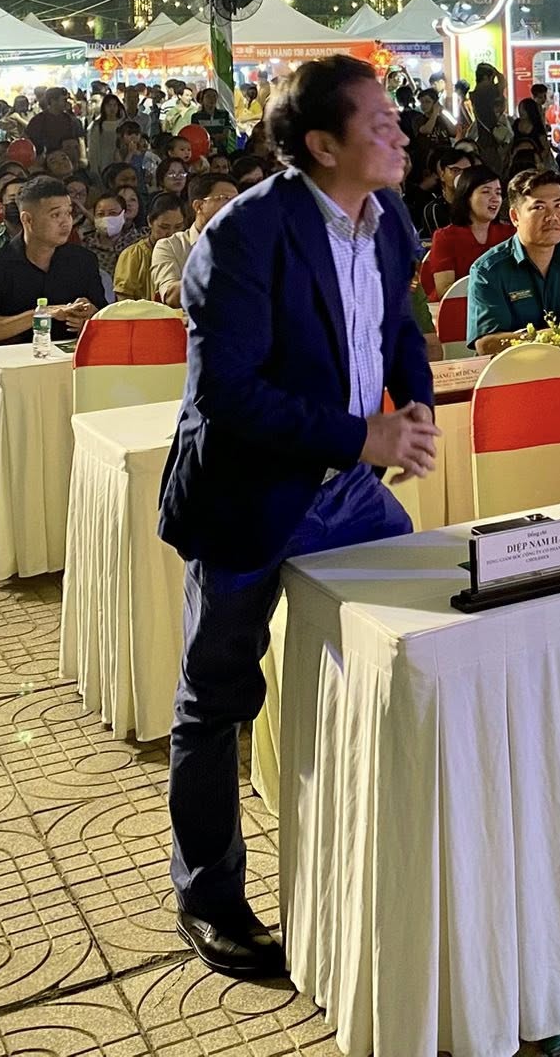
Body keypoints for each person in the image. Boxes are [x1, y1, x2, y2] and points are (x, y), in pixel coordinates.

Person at [159, 54, 440, 979]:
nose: (400, 133)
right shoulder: (244, 236)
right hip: (249, 494)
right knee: (217, 698)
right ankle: (209, 897)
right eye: (379, 122)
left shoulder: (388, 216)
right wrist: (363, 435)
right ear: (322, 144)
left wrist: (416, 399)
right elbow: (229, 394)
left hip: (346, 493)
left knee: (413, 647)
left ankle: (388, 863)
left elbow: (397, 325)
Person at [465, 168, 560, 349]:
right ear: (515, 217)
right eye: (539, 207)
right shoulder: (489, 270)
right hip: (514, 366)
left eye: (559, 206)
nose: (552, 216)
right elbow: (486, 345)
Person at [0, 175, 106, 346]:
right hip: (13, 356)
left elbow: (104, 314)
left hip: (70, 355)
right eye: (55, 215)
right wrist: (43, 313)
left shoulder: (83, 260)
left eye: (68, 213)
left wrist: (91, 315)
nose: (65, 222)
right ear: (27, 219)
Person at [420, 166, 512, 296]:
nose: (495, 198)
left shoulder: (510, 234)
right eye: (486, 192)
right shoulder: (445, 237)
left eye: (498, 193)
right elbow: (445, 291)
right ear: (467, 197)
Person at [154, 175, 240, 308]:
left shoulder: (246, 244)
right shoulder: (170, 246)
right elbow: (170, 296)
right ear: (199, 206)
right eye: (226, 199)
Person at [117, 192, 186, 301]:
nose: (171, 234)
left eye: (178, 227)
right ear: (150, 221)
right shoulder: (133, 255)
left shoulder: (189, 252)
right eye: (164, 227)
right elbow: (124, 298)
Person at [27, 87, 85, 164]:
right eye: (64, 100)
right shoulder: (38, 121)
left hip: (69, 163)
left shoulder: (72, 120)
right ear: (53, 101)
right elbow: (28, 140)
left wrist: (83, 158)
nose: (66, 103)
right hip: (47, 163)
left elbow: (80, 139)